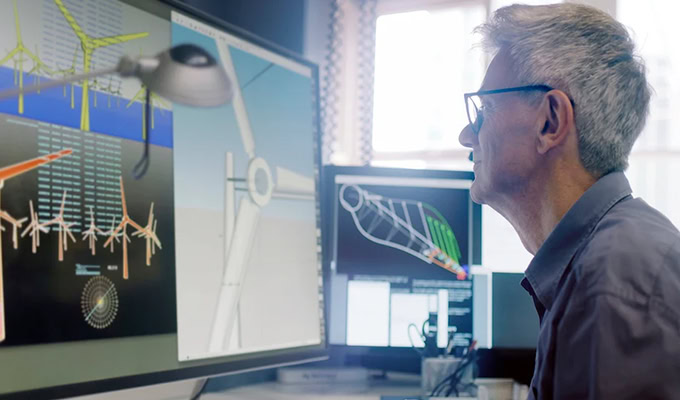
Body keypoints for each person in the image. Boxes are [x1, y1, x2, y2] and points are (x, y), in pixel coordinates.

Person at [458, 3, 680, 399]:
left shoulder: (614, 281)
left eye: (485, 110)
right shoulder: (602, 258)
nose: (465, 135)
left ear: (551, 121)